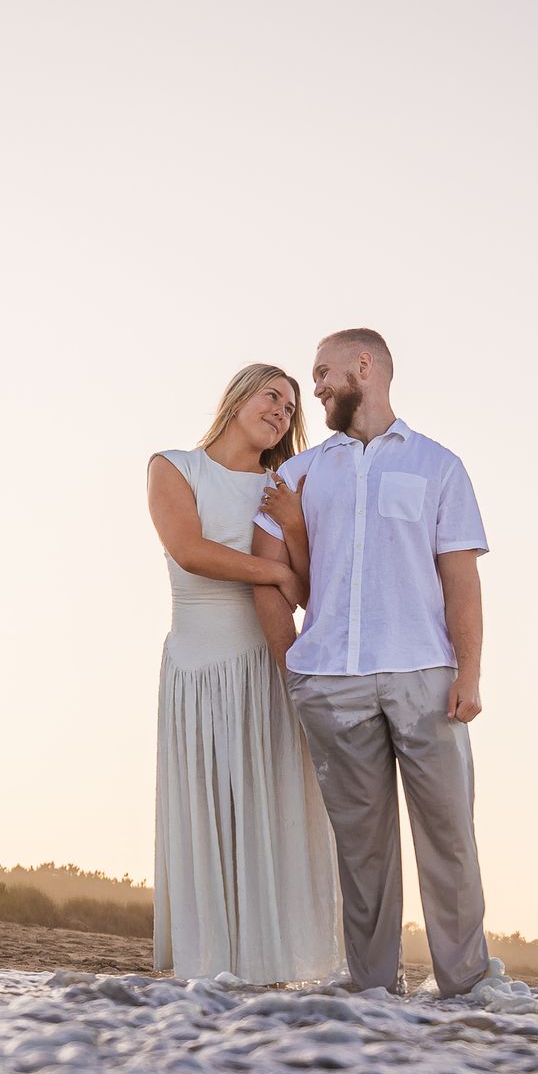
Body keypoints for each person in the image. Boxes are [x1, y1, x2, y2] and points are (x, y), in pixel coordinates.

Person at [254, 329, 490, 998]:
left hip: (426, 678)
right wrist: (294, 668)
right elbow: (267, 578)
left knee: (449, 839)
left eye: (322, 373)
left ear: (365, 366)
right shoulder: (297, 475)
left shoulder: (440, 466)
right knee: (362, 851)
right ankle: (372, 996)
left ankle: (467, 994)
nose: (316, 389)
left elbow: (461, 580)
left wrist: (470, 673)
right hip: (330, 683)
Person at [146, 366, 343, 984]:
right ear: (236, 398)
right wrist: (275, 573)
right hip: (197, 665)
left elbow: (310, 591)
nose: (282, 412)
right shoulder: (174, 468)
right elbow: (189, 551)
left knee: (271, 812)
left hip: (267, 665)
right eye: (272, 396)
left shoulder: (283, 490)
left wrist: (293, 532)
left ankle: (273, 967)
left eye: (290, 408)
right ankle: (208, 966)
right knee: (205, 813)